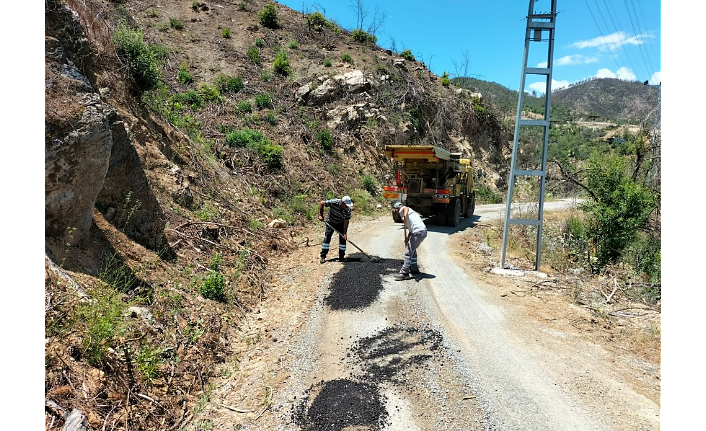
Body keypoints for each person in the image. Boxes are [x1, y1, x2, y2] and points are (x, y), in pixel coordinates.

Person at [393, 201, 427, 280]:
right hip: (421, 231)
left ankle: (404, 273)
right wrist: (407, 238)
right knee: (412, 249)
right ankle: (414, 268)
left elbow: (406, 208)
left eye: (395, 210)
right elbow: (411, 229)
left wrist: (404, 215)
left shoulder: (403, 210)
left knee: (408, 252)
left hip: (418, 232)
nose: (395, 212)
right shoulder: (410, 214)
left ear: (397, 209)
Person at [318, 195, 353, 263]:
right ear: (342, 203)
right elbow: (322, 203)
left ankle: (341, 256)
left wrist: (344, 233)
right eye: (346, 205)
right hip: (330, 222)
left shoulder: (348, 210)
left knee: (343, 239)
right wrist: (321, 215)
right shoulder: (334, 202)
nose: (347, 206)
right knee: (327, 237)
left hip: (340, 223)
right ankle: (323, 256)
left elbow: (346, 221)